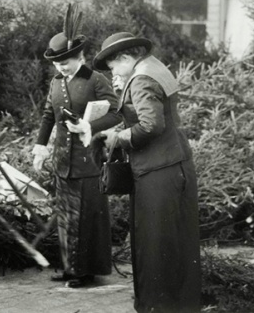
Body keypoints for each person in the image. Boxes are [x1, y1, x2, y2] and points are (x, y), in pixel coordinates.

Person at [92, 32, 201, 313]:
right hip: (174, 165)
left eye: (114, 66)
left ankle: (157, 306)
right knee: (175, 243)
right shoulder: (155, 67)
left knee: (155, 245)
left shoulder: (141, 79)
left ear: (125, 58)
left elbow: (151, 125)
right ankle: (178, 304)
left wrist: (117, 138)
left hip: (157, 171)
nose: (113, 72)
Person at [32, 16, 122, 288]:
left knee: (86, 219)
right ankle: (70, 268)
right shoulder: (56, 83)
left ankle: (86, 272)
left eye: (65, 61)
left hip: (88, 161)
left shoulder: (95, 79)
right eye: (56, 62)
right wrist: (40, 147)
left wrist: (89, 125)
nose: (60, 66)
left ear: (80, 57)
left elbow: (115, 111)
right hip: (63, 161)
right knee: (67, 217)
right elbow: (49, 115)